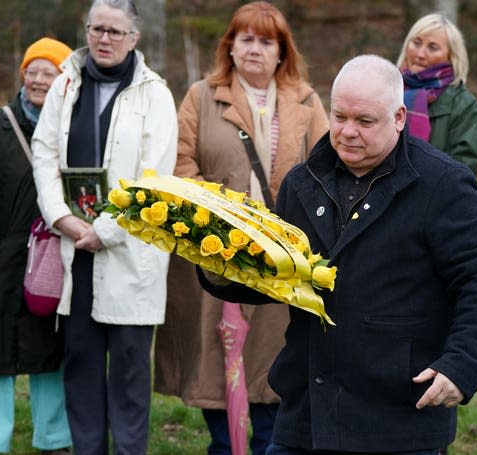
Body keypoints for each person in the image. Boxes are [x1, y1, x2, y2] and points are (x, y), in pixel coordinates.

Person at [198, 54, 477, 454]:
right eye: (339, 116)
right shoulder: (301, 182)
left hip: (400, 416)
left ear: (399, 117)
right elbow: (282, 277)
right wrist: (218, 263)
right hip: (306, 414)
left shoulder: (442, 185)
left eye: (365, 121)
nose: (347, 132)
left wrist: (461, 365)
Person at [153, 2, 328, 455]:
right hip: (215, 253)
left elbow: (327, 174)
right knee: (215, 362)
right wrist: (225, 218)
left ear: (281, 51)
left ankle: (272, 443)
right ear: (229, 47)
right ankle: (223, 445)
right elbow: (180, 166)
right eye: (245, 38)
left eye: (266, 41)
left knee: (273, 362)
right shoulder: (200, 96)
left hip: (282, 259)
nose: (254, 48)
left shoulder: (307, 102)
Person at [31, 1, 177, 454]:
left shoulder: (155, 94)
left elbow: (154, 180)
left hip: (130, 254)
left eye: (115, 31)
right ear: (87, 30)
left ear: (134, 38)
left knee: (131, 372)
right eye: (97, 29)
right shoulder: (65, 85)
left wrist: (106, 231)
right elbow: (44, 153)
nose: (104, 39)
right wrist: (63, 219)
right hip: (75, 250)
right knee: (81, 365)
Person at [0, 36, 73, 455]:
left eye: (48, 71)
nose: (38, 80)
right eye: (31, 70)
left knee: (48, 347)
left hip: (53, 256)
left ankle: (53, 439)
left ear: (63, 79)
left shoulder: (70, 128)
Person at [395, 13, 477, 175]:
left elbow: (463, 170)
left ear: (452, 56)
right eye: (417, 43)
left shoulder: (465, 106)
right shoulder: (387, 91)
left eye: (432, 48)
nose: (420, 54)